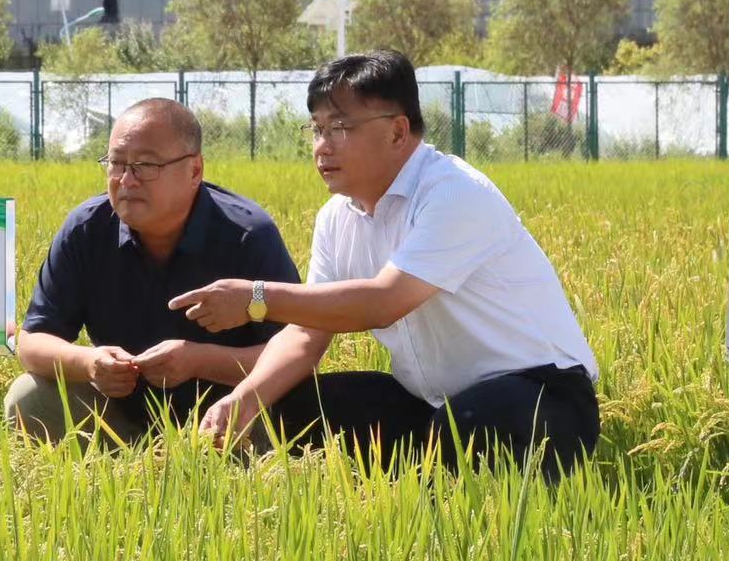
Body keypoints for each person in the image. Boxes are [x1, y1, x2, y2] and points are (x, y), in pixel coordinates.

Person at [168, 50, 599, 477]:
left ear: (397, 131)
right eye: (316, 129)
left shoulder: (453, 193)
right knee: (290, 407)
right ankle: (393, 487)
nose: (322, 146)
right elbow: (304, 335)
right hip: (430, 404)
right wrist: (243, 398)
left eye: (339, 128)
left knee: (470, 425)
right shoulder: (336, 218)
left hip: (542, 395)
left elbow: (385, 301)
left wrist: (254, 298)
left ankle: (428, 490)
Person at [5, 97, 299, 442]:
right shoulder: (86, 229)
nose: (126, 180)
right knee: (28, 399)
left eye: (146, 165)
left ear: (194, 171)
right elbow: (34, 342)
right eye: (116, 164)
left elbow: (295, 354)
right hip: (118, 413)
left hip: (227, 414)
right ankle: (118, 476)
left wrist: (199, 360)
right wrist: (90, 363)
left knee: (281, 414)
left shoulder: (247, 235)